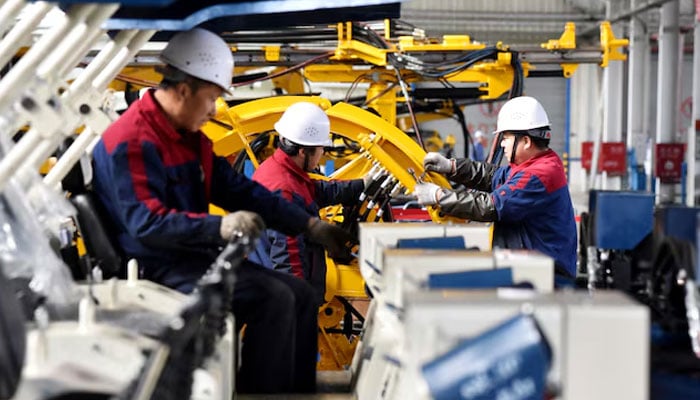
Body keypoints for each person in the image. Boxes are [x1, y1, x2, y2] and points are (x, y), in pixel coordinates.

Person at [91, 28, 353, 394]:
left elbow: (240, 190)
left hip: (194, 260)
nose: (214, 109)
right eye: (212, 97)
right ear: (184, 90)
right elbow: (145, 224)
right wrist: (219, 227)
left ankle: (294, 391)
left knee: (302, 294)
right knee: (275, 298)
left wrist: (309, 226)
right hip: (159, 267)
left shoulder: (185, 137)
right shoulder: (130, 140)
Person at [414, 96, 577, 283]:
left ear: (525, 141)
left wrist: (438, 196)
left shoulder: (539, 174)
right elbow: (493, 176)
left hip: (546, 278)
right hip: (530, 268)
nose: (502, 144)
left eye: (506, 138)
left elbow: (490, 206)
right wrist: (452, 167)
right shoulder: (535, 163)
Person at [252, 102, 365, 304]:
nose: (323, 153)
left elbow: (316, 191)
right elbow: (288, 255)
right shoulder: (284, 188)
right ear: (304, 151)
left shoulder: (281, 171)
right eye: (321, 148)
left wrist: (361, 185)